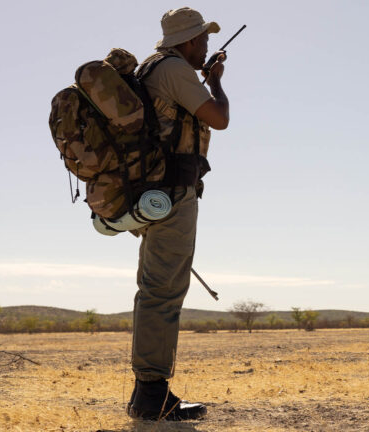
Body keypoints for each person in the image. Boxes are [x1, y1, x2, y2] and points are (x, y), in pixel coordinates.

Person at [126, 7, 230, 421]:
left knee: (155, 288)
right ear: (188, 41)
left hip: (156, 193)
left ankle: (146, 394)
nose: (206, 45)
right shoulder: (173, 69)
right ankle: (151, 397)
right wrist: (217, 84)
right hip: (172, 192)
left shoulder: (155, 68)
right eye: (202, 39)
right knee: (163, 292)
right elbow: (219, 119)